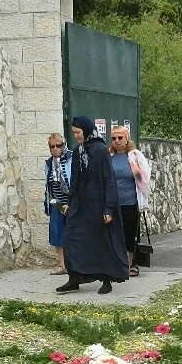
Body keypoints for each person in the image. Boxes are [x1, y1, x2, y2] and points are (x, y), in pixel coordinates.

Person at [56, 117, 128, 295]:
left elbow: (108, 180)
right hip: (81, 205)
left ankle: (106, 279)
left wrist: (108, 209)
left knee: (101, 241)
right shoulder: (78, 150)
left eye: (78, 132)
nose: (76, 136)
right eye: (73, 133)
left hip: (98, 205)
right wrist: (70, 203)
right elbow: (75, 180)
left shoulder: (101, 150)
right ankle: (74, 278)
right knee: (72, 238)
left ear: (86, 131)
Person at [109, 126, 151, 277]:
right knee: (115, 234)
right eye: (114, 138)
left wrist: (144, 200)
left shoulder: (134, 156)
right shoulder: (110, 156)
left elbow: (144, 178)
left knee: (130, 234)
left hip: (131, 202)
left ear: (127, 139)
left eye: (120, 138)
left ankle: (131, 264)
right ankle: (119, 263)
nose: (117, 141)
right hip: (114, 203)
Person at [44, 133, 73, 275]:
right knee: (57, 233)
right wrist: (52, 202)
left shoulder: (72, 159)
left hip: (72, 203)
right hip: (57, 202)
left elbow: (76, 182)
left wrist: (71, 202)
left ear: (64, 145)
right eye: (52, 146)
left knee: (74, 233)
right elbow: (48, 185)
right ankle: (62, 265)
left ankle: (75, 264)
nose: (55, 149)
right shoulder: (49, 163)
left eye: (58, 145)